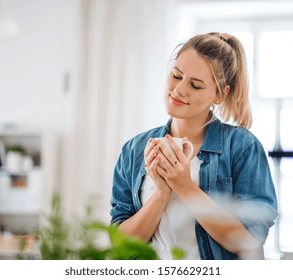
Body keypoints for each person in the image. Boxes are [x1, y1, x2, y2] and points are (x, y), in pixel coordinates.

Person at [110, 32, 278, 260]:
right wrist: (161, 194)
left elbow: (249, 240)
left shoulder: (242, 147)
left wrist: (185, 186)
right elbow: (121, 243)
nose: (179, 89)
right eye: (177, 75)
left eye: (196, 85)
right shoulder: (134, 149)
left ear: (220, 94)